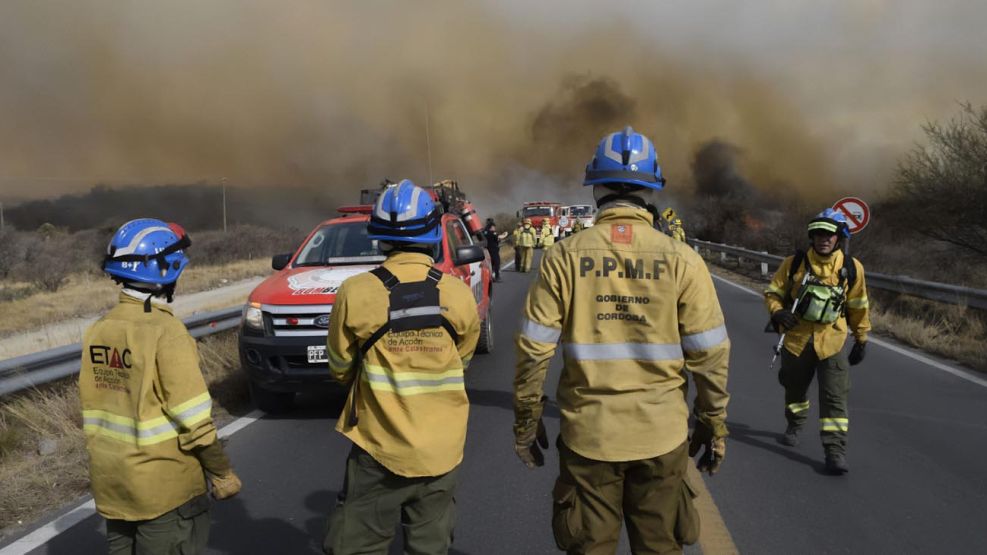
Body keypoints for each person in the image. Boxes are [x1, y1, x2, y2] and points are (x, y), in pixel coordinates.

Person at [513, 127, 731, 554]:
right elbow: (711, 353)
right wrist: (713, 423)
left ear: (596, 189)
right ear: (652, 191)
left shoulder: (563, 256)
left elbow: (533, 349)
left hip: (589, 436)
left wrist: (525, 420)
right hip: (662, 437)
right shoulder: (683, 260)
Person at [324, 179, 480, 554]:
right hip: (442, 450)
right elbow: (463, 359)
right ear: (432, 233)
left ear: (379, 236)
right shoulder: (457, 293)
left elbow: (340, 365)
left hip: (379, 449)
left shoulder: (355, 291)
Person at [81, 218, 241, 555]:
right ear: (164, 270)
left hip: (114, 486)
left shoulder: (99, 330)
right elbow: (194, 419)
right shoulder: (166, 332)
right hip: (164, 491)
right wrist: (223, 473)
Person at [765, 208, 870, 475]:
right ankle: (795, 423)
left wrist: (861, 338)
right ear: (811, 237)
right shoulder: (794, 264)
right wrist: (777, 311)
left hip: (833, 341)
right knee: (795, 391)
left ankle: (835, 452)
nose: (823, 239)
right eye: (818, 234)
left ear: (838, 237)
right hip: (797, 340)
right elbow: (773, 292)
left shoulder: (851, 268)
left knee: (835, 397)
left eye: (829, 234)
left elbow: (858, 306)